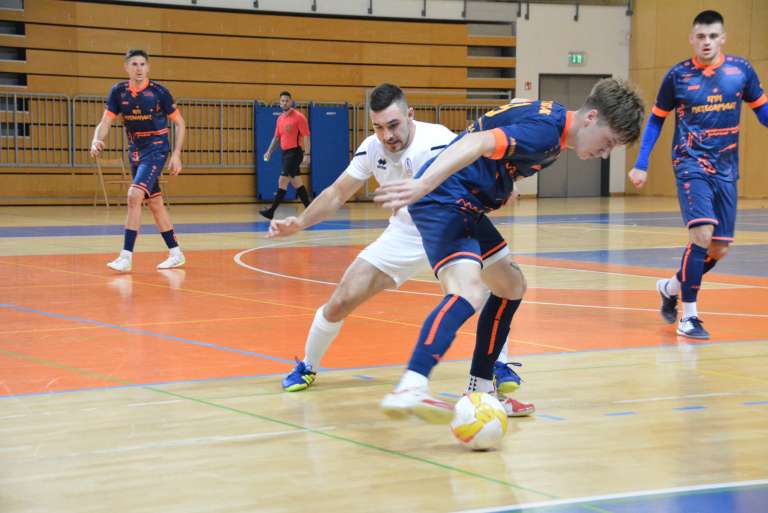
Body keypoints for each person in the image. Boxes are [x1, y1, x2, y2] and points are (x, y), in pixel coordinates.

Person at [375, 78, 644, 423]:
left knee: (511, 285)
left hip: (465, 203)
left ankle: (480, 389)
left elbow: (507, 119)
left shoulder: (553, 123)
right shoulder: (546, 132)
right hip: (444, 199)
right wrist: (424, 183)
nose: (604, 154)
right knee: (469, 291)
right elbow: (479, 140)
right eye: (607, 143)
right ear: (591, 117)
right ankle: (411, 385)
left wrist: (501, 184)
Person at [268, 83, 534, 418]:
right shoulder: (371, 149)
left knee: (489, 288)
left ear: (410, 115)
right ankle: (307, 365)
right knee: (342, 299)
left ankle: (496, 368)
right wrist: (301, 222)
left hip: (452, 223)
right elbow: (337, 193)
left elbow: (483, 159)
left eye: (393, 125)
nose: (387, 135)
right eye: (378, 127)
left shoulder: (438, 139)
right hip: (406, 232)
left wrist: (506, 188)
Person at [628, 10, 768, 339]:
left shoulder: (741, 71)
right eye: (700, 36)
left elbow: (762, 111)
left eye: (712, 36)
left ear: (723, 38)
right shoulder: (677, 76)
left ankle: (671, 286)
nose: (706, 42)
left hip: (726, 168)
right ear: (692, 39)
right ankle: (688, 316)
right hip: (690, 163)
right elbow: (656, 120)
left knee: (719, 248)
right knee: (702, 234)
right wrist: (642, 162)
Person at [91, 49, 187, 272]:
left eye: (142, 64)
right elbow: (105, 122)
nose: (139, 68)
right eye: (134, 64)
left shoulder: (159, 93)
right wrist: (96, 139)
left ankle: (126, 256)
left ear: (148, 67)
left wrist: (176, 154)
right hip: (135, 151)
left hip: (156, 149)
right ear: (127, 68)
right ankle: (176, 253)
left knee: (134, 195)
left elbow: (180, 123)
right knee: (154, 203)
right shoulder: (118, 92)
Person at [260, 91, 312, 219]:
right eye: (282, 101)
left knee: (282, 180)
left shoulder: (299, 117)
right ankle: (310, 210)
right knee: (296, 182)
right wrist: (269, 151)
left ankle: (271, 211)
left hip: (295, 153)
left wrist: (307, 154)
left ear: (291, 101)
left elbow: (306, 136)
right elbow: (276, 137)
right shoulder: (280, 118)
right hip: (285, 153)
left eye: (286, 100)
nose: (284, 103)